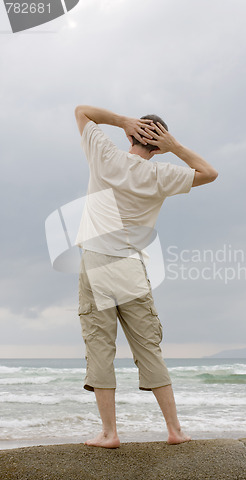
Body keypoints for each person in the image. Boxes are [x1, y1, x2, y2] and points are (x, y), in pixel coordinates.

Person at [74, 105, 218, 448]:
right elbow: (209, 173)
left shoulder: (104, 154)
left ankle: (109, 433)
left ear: (131, 136)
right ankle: (175, 430)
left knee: (100, 348)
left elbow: (82, 112)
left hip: (96, 262)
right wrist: (176, 146)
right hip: (130, 266)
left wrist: (122, 121)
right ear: (160, 145)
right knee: (149, 349)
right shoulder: (162, 175)